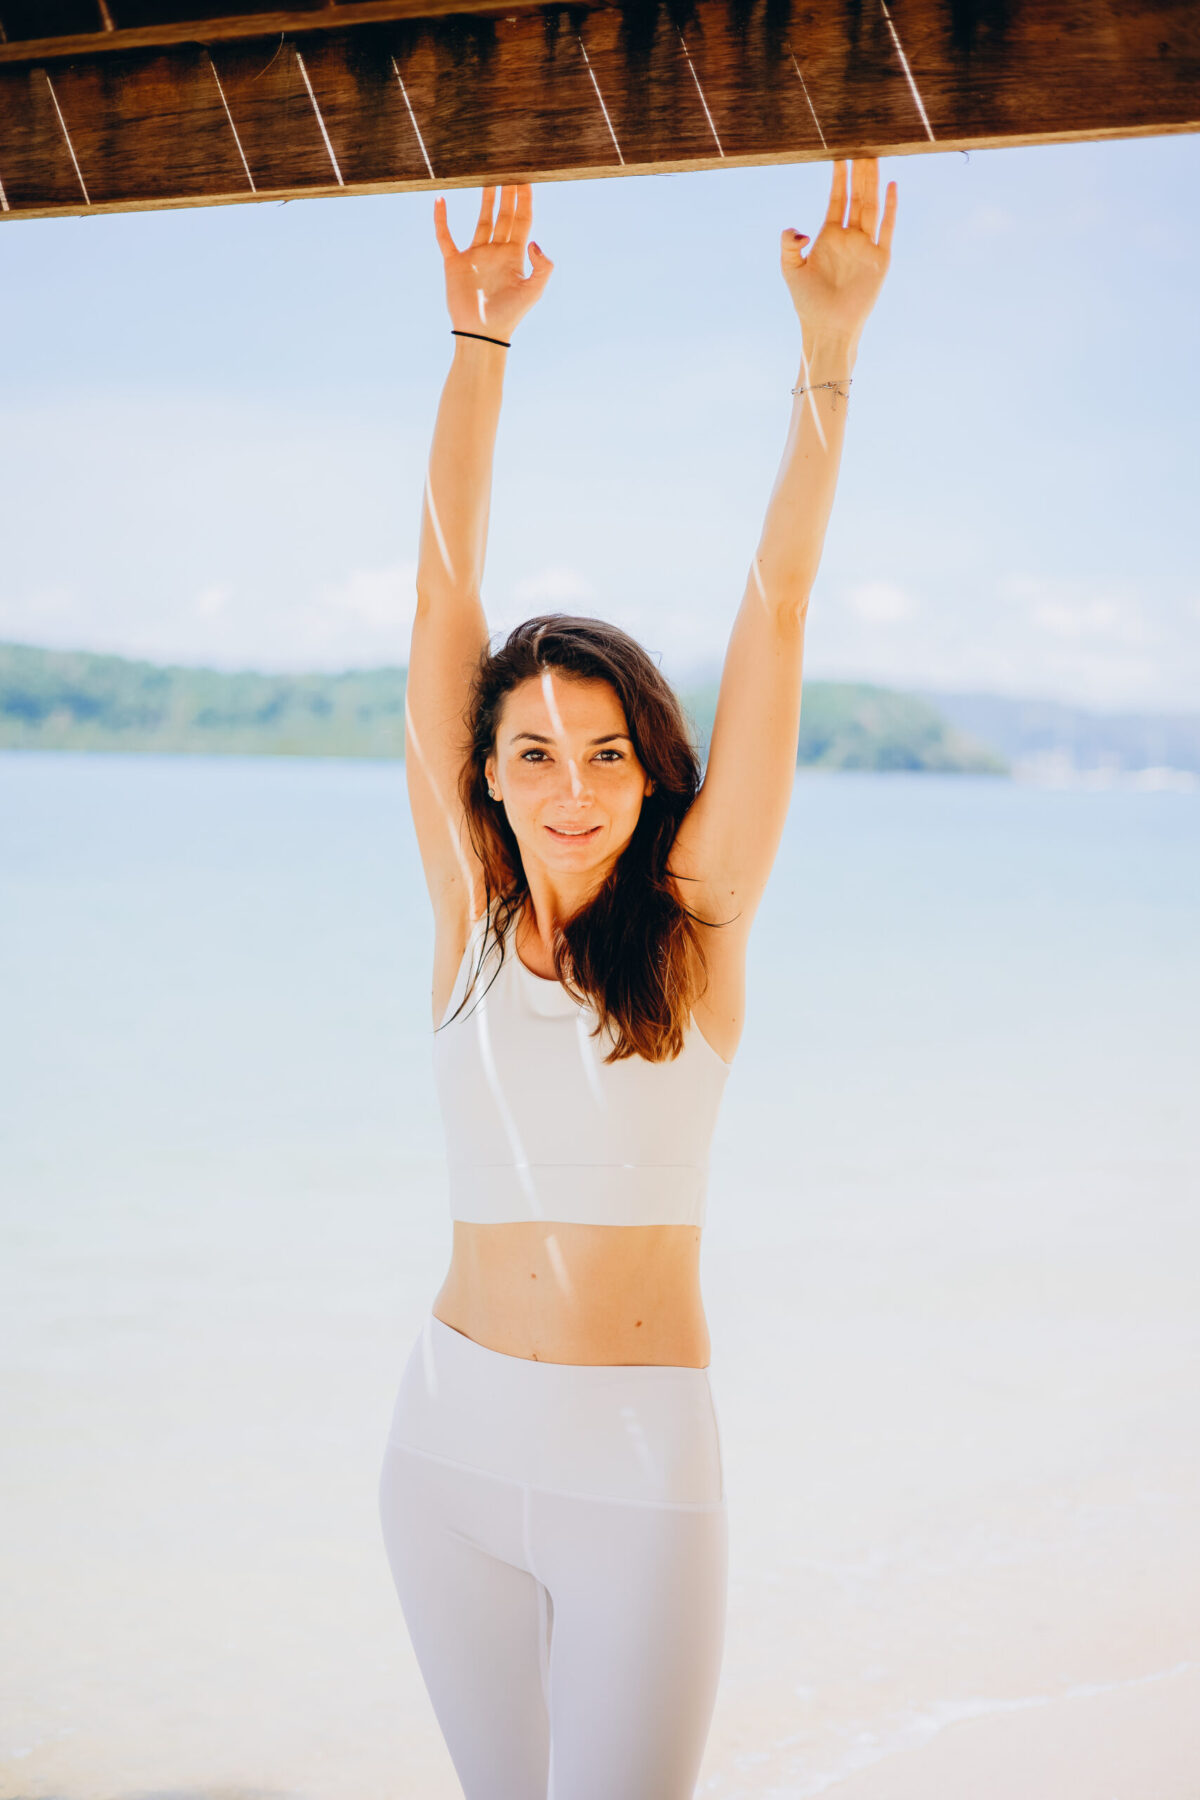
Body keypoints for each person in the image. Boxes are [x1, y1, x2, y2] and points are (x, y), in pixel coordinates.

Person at [379, 161, 897, 1799]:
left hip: (638, 1469)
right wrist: (479, 341)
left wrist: (829, 361)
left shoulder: (698, 918)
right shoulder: (463, 911)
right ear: (491, 776)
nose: (574, 785)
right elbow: (441, 595)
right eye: (534, 752)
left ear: (650, 767)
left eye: (607, 752)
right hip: (444, 1451)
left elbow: (782, 607)